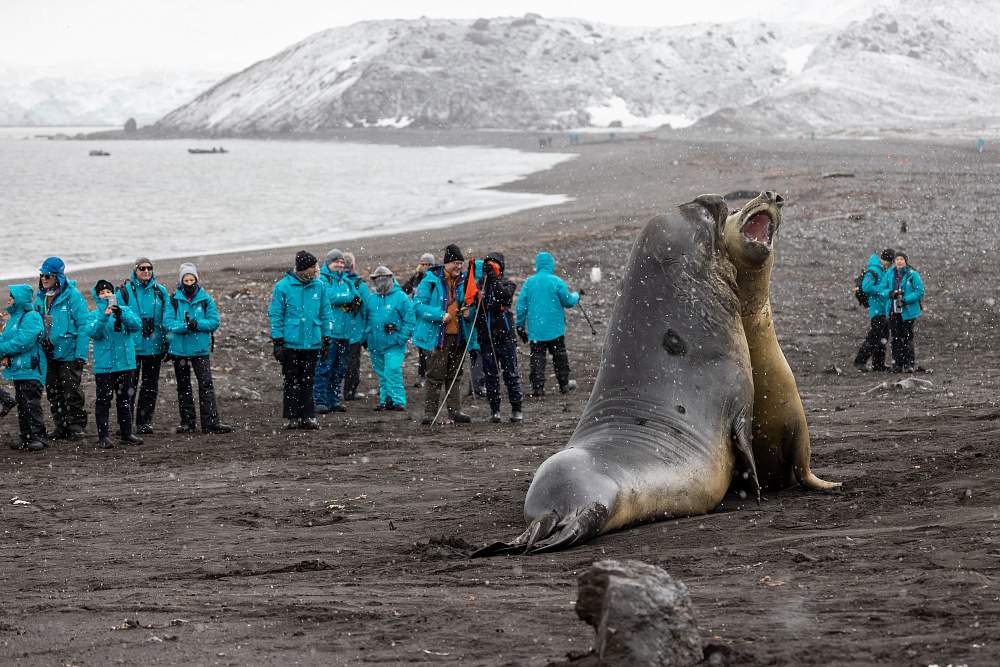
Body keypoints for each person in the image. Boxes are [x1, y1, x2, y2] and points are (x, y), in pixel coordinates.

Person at [164, 263, 232, 434]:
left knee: (206, 385)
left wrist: (198, 324)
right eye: (186, 280)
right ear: (181, 281)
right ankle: (188, 423)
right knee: (183, 386)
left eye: (191, 279)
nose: (189, 282)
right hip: (179, 351)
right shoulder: (173, 300)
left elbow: (214, 322)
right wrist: (186, 327)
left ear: (196, 279)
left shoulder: (205, 299)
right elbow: (168, 323)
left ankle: (211, 423)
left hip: (200, 350)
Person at [269, 251, 333, 430]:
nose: (316, 269)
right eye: (313, 266)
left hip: (312, 341)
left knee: (308, 379)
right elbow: (276, 314)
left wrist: (327, 336)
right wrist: (278, 341)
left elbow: (325, 311)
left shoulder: (319, 286)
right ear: (305, 268)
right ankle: (292, 417)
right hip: (290, 342)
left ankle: (308, 416)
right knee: (291, 379)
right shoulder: (283, 287)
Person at [413, 244, 474, 425]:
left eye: (461, 263)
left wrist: (467, 312)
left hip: (459, 337)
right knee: (435, 376)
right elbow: (417, 306)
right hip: (437, 337)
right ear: (446, 263)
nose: (459, 266)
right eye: (455, 263)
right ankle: (430, 413)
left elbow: (470, 304)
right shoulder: (430, 281)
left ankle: (455, 412)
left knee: (455, 375)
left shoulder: (464, 280)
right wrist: (440, 316)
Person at [33, 257, 89, 440]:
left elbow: (84, 326)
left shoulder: (72, 296)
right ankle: (61, 425)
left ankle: (76, 426)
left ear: (58, 276)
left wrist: (81, 354)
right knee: (53, 392)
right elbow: (34, 324)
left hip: (69, 353)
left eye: (47, 275)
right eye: (42, 275)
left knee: (71, 391)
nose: (44, 278)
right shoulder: (40, 298)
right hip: (48, 354)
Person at [84, 279, 143, 449]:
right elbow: (93, 332)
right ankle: (103, 436)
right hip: (105, 365)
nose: (106, 294)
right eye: (102, 292)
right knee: (104, 400)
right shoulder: (94, 315)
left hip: (125, 363)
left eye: (108, 291)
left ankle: (127, 434)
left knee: (125, 399)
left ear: (113, 293)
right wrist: (105, 316)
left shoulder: (124, 310)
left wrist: (121, 314)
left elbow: (136, 326)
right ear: (97, 296)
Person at [515, 250, 580, 397]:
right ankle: (564, 384)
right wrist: (576, 296)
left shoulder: (529, 283)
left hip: (536, 330)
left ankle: (538, 388)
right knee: (559, 356)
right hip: (555, 328)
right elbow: (568, 301)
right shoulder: (556, 281)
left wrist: (520, 325)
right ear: (551, 264)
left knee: (537, 358)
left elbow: (521, 306)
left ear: (537, 265)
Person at [117, 258, 170, 433]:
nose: (146, 271)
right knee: (127, 387)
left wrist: (167, 343)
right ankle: (126, 423)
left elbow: (167, 319)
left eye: (149, 268)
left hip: (154, 346)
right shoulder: (125, 292)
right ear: (135, 270)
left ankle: (144, 422)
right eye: (142, 268)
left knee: (150, 387)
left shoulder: (160, 291)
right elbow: (116, 317)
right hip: (131, 347)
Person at [473, 253, 524, 423]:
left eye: (494, 265)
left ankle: (516, 409)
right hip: (487, 339)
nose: (490, 268)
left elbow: (503, 296)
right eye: (489, 265)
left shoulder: (508, 284)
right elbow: (477, 308)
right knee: (490, 376)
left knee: (511, 374)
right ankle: (495, 410)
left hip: (505, 338)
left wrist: (493, 279)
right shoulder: (480, 287)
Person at [0, 284, 48, 450]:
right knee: (22, 404)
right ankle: (27, 437)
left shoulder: (32, 316)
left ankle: (39, 438)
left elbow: (24, 342)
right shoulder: (13, 318)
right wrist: (3, 352)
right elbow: (4, 340)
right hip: (18, 369)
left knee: (32, 404)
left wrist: (3, 350)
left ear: (19, 299)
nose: (9, 299)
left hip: (31, 367)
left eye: (12, 297)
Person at [313, 249, 360, 414]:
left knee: (340, 369)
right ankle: (320, 400)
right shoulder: (322, 279)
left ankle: (334, 400)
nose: (340, 264)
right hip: (329, 332)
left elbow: (356, 297)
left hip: (345, 332)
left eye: (341, 262)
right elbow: (330, 297)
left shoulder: (346, 281)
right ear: (328, 263)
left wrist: (346, 298)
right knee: (324, 367)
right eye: (336, 262)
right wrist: (346, 298)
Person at [364, 266, 415, 411]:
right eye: (377, 279)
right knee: (382, 374)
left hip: (394, 343)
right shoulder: (371, 298)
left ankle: (398, 401)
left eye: (384, 278)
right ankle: (385, 400)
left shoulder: (401, 297)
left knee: (392, 370)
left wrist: (401, 337)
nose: (381, 281)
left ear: (390, 278)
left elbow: (410, 320)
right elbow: (366, 319)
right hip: (375, 344)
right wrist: (366, 336)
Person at [880, 251, 925, 373]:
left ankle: (909, 364)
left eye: (901, 259)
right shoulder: (889, 274)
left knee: (907, 337)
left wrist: (906, 300)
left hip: (908, 311)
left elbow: (920, 291)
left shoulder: (912, 274)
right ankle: (897, 365)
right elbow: (882, 289)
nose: (899, 261)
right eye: (897, 259)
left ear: (906, 261)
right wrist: (890, 293)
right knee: (896, 338)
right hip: (893, 310)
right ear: (894, 261)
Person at [853, 248, 894, 372]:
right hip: (877, 309)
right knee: (875, 336)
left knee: (883, 336)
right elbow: (866, 288)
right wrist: (882, 291)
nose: (889, 263)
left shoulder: (882, 270)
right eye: (888, 261)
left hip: (884, 309)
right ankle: (860, 361)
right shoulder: (874, 270)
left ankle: (878, 364)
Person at [401, 252, 435, 388]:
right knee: (421, 348)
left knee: (432, 347)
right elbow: (404, 290)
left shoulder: (435, 278)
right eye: (423, 264)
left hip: (431, 317)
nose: (425, 266)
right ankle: (422, 375)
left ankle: (432, 374)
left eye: (428, 264)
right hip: (418, 318)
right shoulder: (416, 277)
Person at [341, 252, 368, 401]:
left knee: (335, 362)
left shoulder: (335, 283)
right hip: (355, 332)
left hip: (337, 331)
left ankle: (332, 392)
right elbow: (366, 309)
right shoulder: (359, 284)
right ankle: (349, 392)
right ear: (353, 265)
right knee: (352, 364)